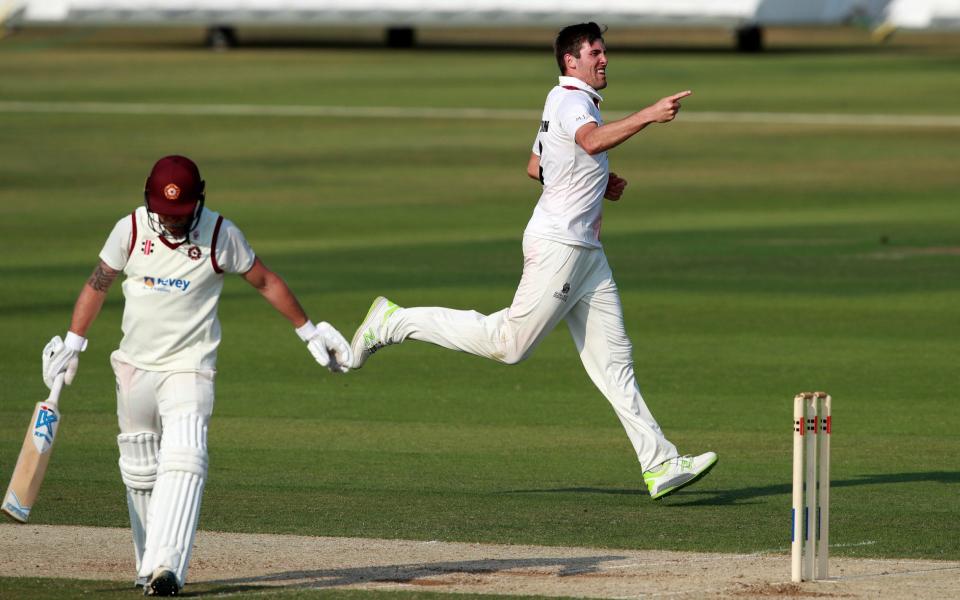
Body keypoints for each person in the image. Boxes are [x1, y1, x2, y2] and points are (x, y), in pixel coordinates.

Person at [348, 23, 716, 500]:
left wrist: (596, 182)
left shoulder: (562, 98)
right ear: (572, 61)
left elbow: (537, 165)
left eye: (605, 52)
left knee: (614, 361)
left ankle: (660, 463)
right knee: (509, 344)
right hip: (560, 247)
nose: (605, 60)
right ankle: (394, 322)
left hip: (587, 255)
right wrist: (647, 115)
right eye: (596, 53)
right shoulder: (571, 101)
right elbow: (590, 142)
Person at [40, 155, 352, 596]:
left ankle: (168, 568)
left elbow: (265, 281)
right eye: (165, 214)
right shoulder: (129, 229)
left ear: (198, 202)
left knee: (185, 458)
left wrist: (307, 330)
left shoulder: (221, 234)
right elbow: (99, 283)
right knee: (139, 469)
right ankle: (146, 564)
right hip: (133, 366)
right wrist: (73, 342)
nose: (172, 222)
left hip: (190, 367)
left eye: (181, 214)